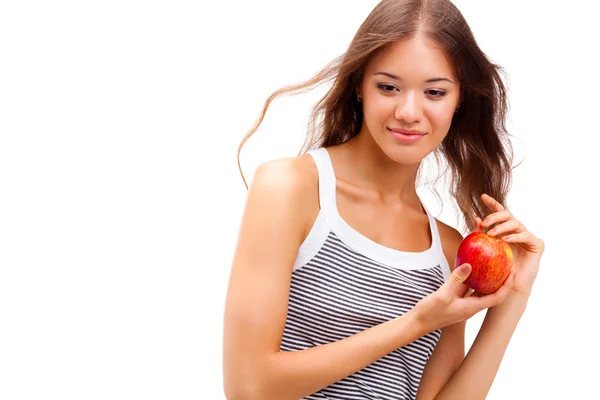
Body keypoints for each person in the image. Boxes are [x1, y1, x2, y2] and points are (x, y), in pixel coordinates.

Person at [222, 0, 545, 399]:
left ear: (460, 98)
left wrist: (511, 299)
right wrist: (416, 323)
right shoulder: (290, 189)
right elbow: (248, 387)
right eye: (388, 87)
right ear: (359, 84)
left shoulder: (447, 251)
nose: (409, 111)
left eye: (435, 92)